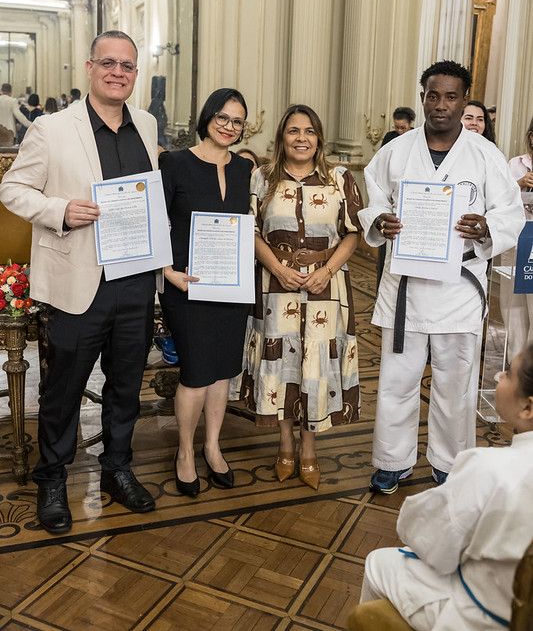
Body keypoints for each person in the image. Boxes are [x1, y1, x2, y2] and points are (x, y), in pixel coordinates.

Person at [0, 31, 158, 533]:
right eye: (108, 63)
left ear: (137, 73)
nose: (118, 72)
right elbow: (13, 188)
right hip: (77, 281)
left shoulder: (148, 124)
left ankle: (116, 468)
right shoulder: (52, 128)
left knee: (127, 385)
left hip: (135, 278)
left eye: (127, 66)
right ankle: (52, 479)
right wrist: (59, 210)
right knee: (63, 388)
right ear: (89, 67)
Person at [358, 60, 524, 494]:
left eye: (452, 96)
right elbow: (372, 195)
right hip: (407, 284)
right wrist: (381, 221)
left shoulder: (485, 155)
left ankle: (449, 463)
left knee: (456, 381)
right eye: (434, 95)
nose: (442, 105)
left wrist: (486, 227)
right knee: (398, 378)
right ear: (423, 97)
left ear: (465, 100)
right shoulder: (395, 151)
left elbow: (509, 213)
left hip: (459, 284)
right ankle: (392, 460)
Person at [359, 342, 533, 631]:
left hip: (492, 614)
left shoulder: (489, 467)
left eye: (508, 374)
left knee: (378, 563)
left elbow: (426, 537)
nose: (497, 376)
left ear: (528, 406)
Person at [236, 104, 362, 490]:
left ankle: (309, 447)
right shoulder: (261, 178)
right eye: (293, 131)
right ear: (281, 137)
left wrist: (326, 271)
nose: (301, 138)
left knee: (315, 365)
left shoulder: (339, 178)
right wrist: (277, 267)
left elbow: (353, 232)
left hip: (326, 286)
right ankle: (285, 441)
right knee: (281, 362)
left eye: (309, 131)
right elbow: (251, 230)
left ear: (319, 138)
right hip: (276, 286)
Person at [158, 88, 253, 497]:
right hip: (186, 284)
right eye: (223, 117)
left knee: (223, 372)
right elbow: (154, 222)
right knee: (196, 373)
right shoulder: (174, 163)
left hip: (230, 285)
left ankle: (213, 447)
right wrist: (167, 273)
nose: (229, 127)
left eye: (238, 121)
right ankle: (184, 452)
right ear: (207, 117)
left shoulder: (245, 169)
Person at [500, 116, 533, 363]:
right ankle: (515, 362)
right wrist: (518, 184)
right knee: (512, 306)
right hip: (516, 241)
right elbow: (499, 198)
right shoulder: (515, 163)